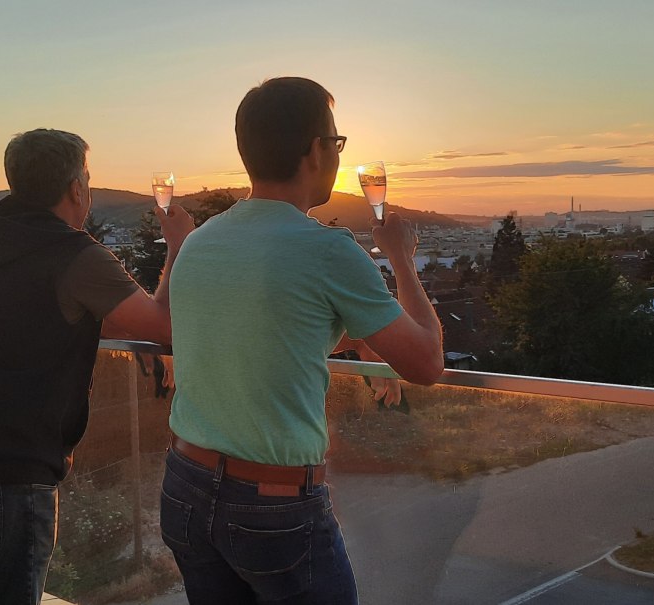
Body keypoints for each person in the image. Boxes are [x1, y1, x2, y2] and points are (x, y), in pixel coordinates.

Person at [160, 77, 444, 604]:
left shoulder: (200, 242)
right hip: (272, 502)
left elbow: (264, 329)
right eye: (335, 143)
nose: (336, 156)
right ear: (316, 150)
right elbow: (426, 362)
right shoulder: (326, 249)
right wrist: (401, 256)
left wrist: (352, 341)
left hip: (184, 484)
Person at [0, 128, 194, 603]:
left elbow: (32, 315)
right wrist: (178, 244)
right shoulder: (74, 254)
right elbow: (162, 327)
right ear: (77, 188)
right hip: (0, 479)